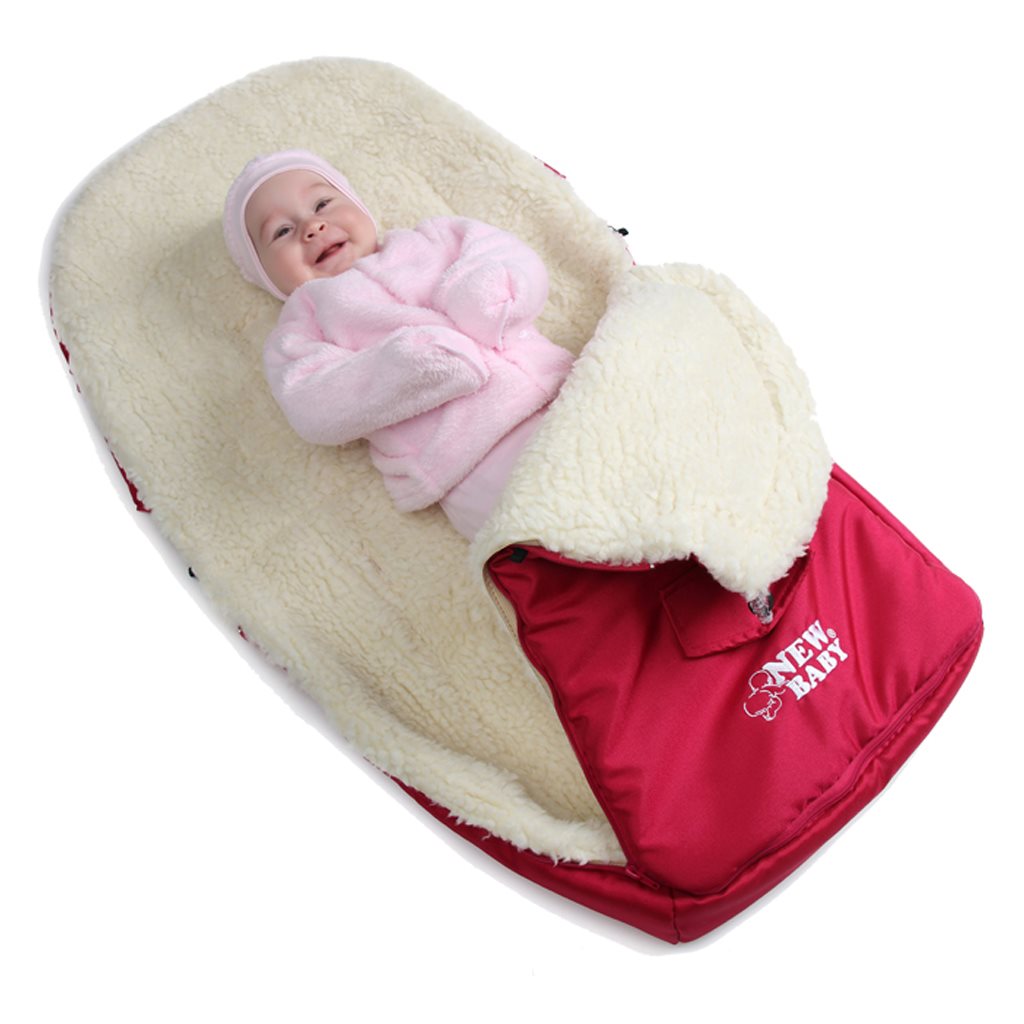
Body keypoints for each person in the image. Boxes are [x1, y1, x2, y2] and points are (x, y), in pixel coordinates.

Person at [223, 149, 574, 540]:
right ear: (264, 274)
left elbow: (506, 253)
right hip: (468, 460)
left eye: (322, 204)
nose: (312, 226)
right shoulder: (302, 327)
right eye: (281, 232)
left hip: (562, 391)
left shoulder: (433, 238)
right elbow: (313, 404)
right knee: (553, 532)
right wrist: (409, 367)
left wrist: (486, 293)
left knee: (620, 457)